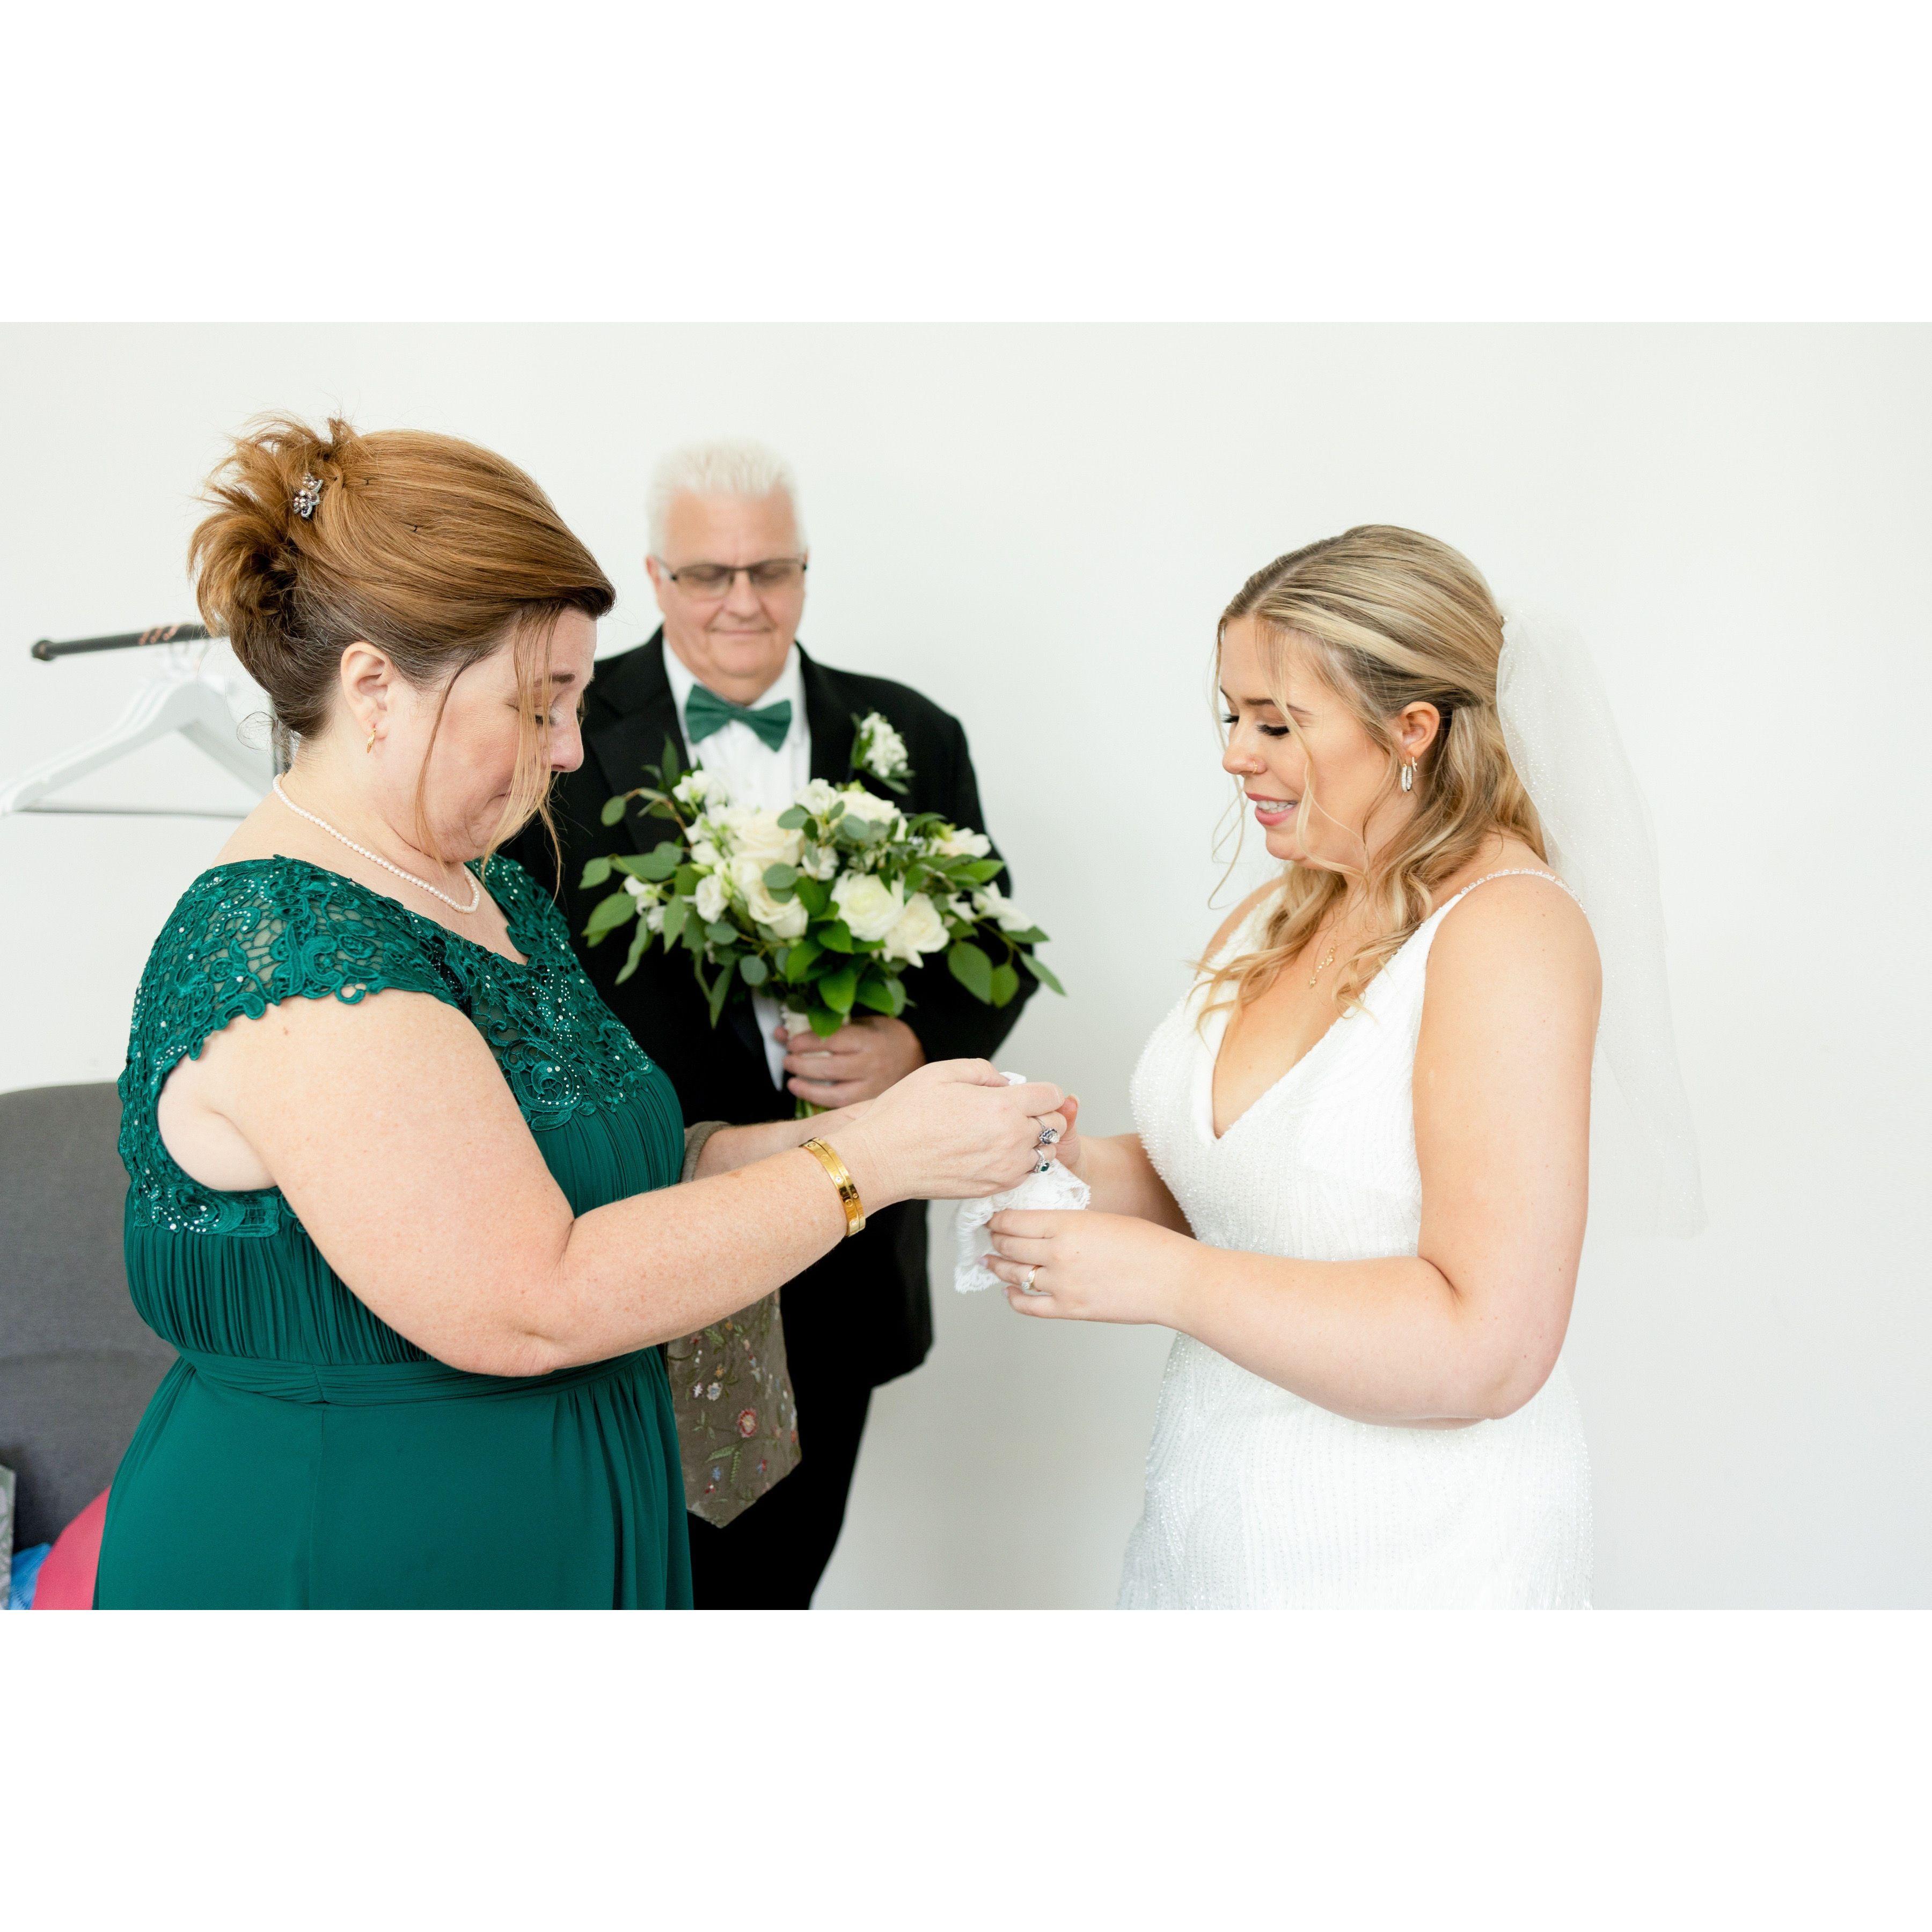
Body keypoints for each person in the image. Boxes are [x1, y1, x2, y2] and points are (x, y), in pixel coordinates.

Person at [93, 415, 1065, 1609]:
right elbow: (530, 1300)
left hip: (549, 1519)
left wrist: (886, 1123)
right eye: (539, 705)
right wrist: (867, 1165)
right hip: (358, 1554)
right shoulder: (296, 956)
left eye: (578, 702)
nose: (567, 752)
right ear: (376, 688)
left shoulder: (482, 889)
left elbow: (630, 1166)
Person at [983, 526, 1697, 1608]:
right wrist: (1048, 1153)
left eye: (1277, 723)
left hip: (1410, 1557)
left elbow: (1491, 1349)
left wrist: (1166, 1281)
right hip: (1216, 1526)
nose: (1237, 754)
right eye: (1231, 715)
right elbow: (1238, 1189)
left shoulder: (1507, 934)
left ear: (1412, 729)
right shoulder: (1283, 907)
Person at [508, 438, 1037, 1607]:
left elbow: (999, 947)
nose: (743, 601)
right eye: (709, 574)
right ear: (656, 576)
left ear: (805, 570)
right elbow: (518, 971)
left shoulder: (914, 733)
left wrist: (913, 1049)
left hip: (844, 1253)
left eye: (772, 571)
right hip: (631, 1231)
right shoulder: (559, 728)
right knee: (634, 1586)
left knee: (778, 1590)